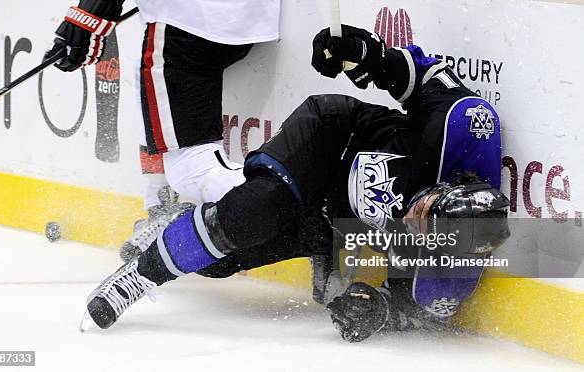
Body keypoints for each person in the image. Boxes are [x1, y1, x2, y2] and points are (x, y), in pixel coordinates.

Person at [79, 25, 510, 342]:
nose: (413, 222)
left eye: (423, 236)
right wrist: (366, 53)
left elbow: (409, 306)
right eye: (425, 211)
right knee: (251, 212)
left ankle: (185, 220)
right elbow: (421, 75)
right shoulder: (465, 128)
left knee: (220, 263)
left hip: (337, 228)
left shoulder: (446, 282)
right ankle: (139, 277)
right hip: (333, 140)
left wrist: (372, 304)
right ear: (448, 187)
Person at [46, 0, 281, 261]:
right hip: (244, 17)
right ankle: (160, 206)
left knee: (191, 169)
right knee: (147, 84)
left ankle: (299, 209)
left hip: (188, 19)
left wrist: (87, 16)